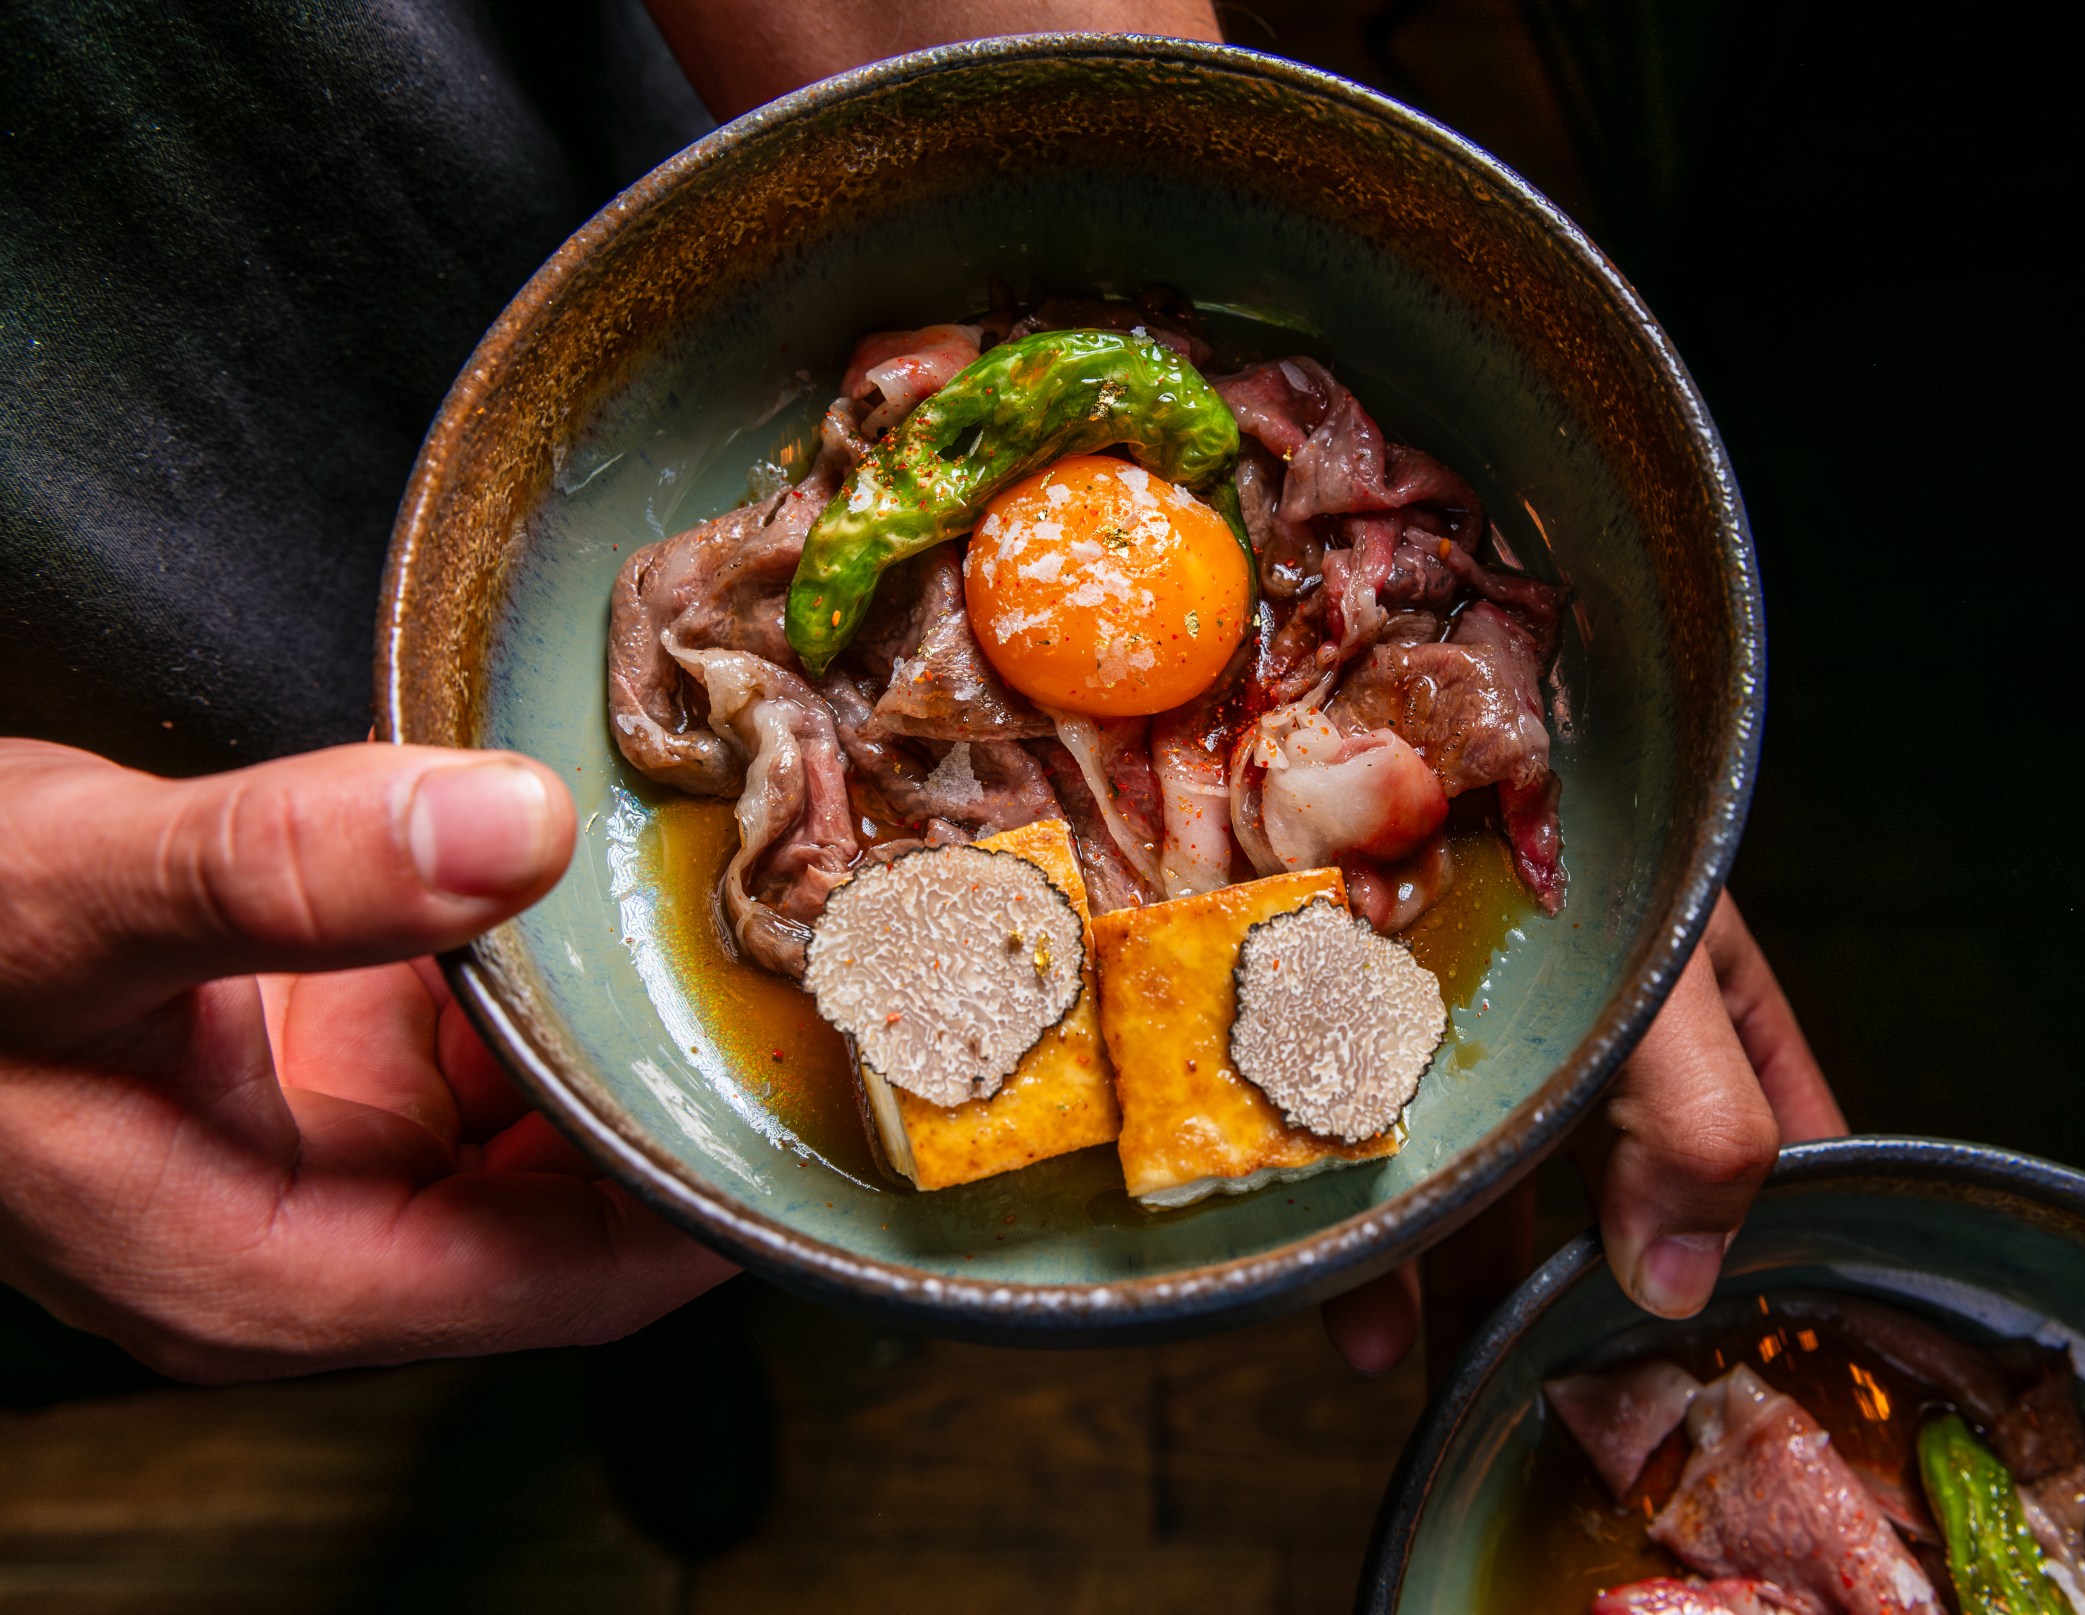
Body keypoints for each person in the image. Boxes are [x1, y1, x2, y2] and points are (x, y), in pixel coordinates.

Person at [0, 0, 1840, 1384]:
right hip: (105, 817)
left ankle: (703, 1388)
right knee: (599, 1282)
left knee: (675, 1280)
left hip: (653, 142)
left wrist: (1085, 92)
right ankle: (673, 1413)